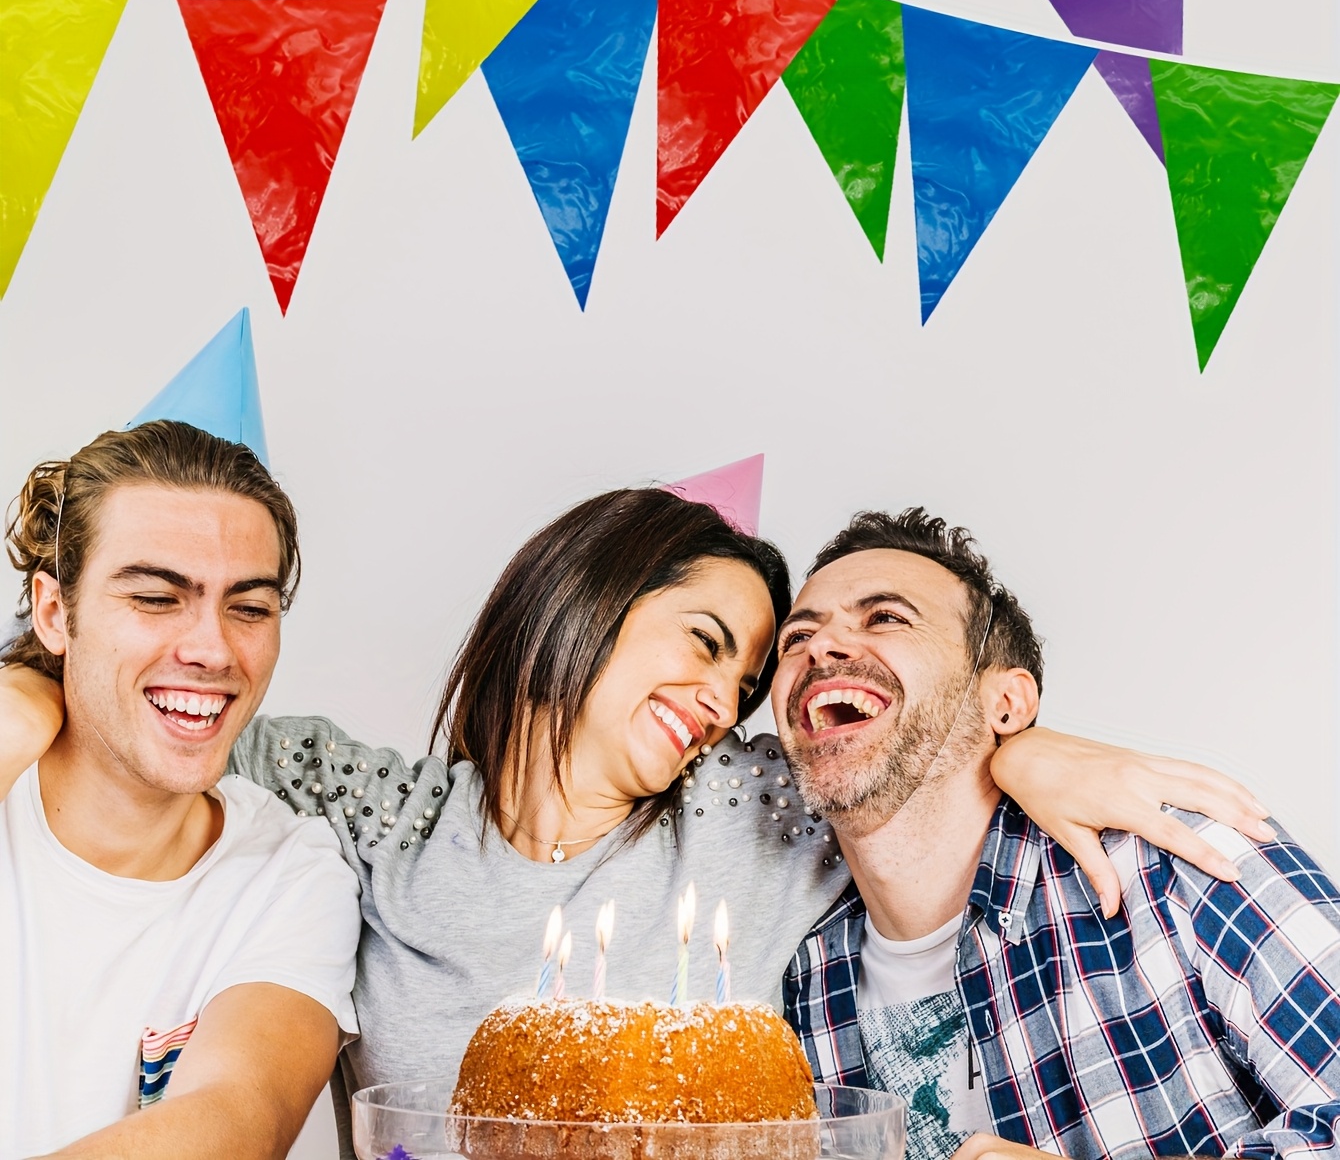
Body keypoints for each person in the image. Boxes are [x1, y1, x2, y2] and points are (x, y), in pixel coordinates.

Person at [2, 482, 1264, 1157]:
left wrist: (1025, 740)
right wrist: (21, 683)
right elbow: (161, 695)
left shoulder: (753, 806)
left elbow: (891, 737)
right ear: (584, 600)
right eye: (705, 643)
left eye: (742, 675)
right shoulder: (374, 815)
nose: (723, 700)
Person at [776, 508, 1338, 1160]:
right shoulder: (798, 979)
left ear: (1006, 704)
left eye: (887, 618)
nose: (820, 647)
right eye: (797, 638)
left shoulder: (1173, 860)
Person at [0, 422, 360, 1160]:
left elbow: (236, 1121)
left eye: (250, 608)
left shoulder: (291, 874)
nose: (211, 649)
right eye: (157, 598)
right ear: (54, 613)